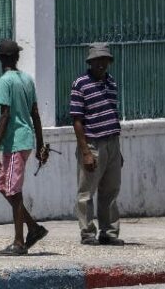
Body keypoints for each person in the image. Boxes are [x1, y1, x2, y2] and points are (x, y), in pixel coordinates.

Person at [0, 39, 49, 256]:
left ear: (0, 59)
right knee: (5, 186)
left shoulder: (5, 81)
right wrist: (40, 144)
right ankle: (33, 227)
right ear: (16, 57)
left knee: (13, 190)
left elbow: (4, 116)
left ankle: (19, 242)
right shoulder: (27, 80)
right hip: (25, 140)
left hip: (14, 142)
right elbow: (35, 114)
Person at [70, 42, 124, 246]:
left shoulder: (111, 83)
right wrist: (85, 151)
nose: (101, 64)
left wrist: (118, 151)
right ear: (90, 62)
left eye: (104, 60)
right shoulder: (80, 84)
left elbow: (112, 114)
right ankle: (87, 233)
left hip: (112, 142)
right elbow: (77, 120)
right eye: (97, 61)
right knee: (86, 193)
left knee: (111, 191)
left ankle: (109, 232)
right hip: (92, 142)